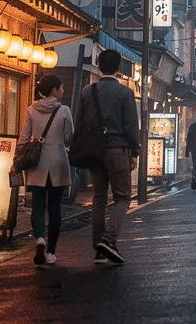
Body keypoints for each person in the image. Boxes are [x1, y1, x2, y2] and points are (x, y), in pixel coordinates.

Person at [77, 49, 138, 265]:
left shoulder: (87, 91)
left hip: (95, 151)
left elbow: (79, 123)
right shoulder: (125, 93)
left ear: (99, 64)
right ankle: (108, 240)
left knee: (99, 199)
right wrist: (135, 152)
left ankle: (99, 249)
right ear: (118, 67)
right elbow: (131, 126)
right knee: (123, 198)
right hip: (118, 150)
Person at [17, 74, 74, 266]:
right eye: (61, 88)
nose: (63, 91)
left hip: (37, 164)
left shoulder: (31, 110)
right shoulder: (64, 110)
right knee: (55, 208)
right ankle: (50, 253)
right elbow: (69, 138)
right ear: (54, 90)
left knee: (38, 206)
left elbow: (24, 138)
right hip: (58, 162)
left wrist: (16, 160)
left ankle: (40, 239)